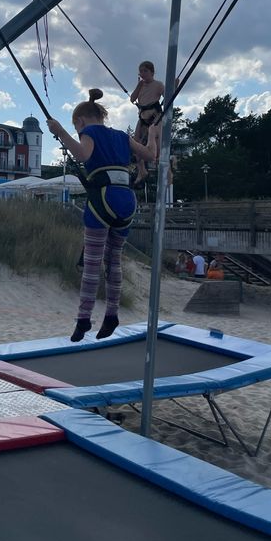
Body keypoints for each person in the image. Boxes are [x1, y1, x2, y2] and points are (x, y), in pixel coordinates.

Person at [47, 88, 158, 342]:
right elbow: (151, 155)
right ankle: (112, 314)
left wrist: (61, 133)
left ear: (80, 121)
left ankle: (83, 319)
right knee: (114, 260)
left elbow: (83, 154)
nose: (78, 133)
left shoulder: (89, 132)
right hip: (127, 201)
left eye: (76, 128)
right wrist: (152, 134)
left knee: (93, 263)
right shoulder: (121, 135)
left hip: (103, 199)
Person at [130, 60, 165, 183]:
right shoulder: (141, 86)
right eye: (140, 72)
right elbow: (132, 99)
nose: (142, 74)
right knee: (135, 144)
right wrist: (139, 86)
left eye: (145, 71)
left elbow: (168, 97)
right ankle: (141, 170)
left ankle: (157, 160)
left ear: (152, 72)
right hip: (142, 118)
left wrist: (174, 86)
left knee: (153, 137)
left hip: (155, 117)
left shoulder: (158, 85)